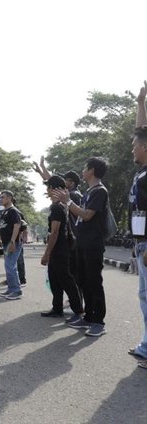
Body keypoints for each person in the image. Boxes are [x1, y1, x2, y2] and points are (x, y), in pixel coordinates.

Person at [53, 157, 109, 337]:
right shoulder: (88, 192)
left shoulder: (100, 191)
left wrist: (69, 202)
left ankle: (98, 322)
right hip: (82, 243)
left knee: (94, 282)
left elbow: (86, 215)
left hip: (93, 244)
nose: (82, 171)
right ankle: (88, 317)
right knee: (84, 282)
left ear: (92, 170)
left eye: (85, 168)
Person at [40, 176, 83, 320]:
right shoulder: (60, 206)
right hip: (60, 248)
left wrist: (47, 253)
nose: (48, 191)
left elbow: (55, 233)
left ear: (52, 189)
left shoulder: (57, 207)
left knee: (66, 280)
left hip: (59, 249)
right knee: (54, 280)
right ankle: (57, 308)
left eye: (49, 188)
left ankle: (78, 310)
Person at [127, 81, 147, 368]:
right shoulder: (143, 172)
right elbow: (142, 132)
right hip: (141, 241)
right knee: (144, 295)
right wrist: (141, 103)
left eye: (135, 145)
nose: (131, 147)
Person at [0, 190, 23, 300]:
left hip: (13, 242)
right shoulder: (3, 212)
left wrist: (13, 242)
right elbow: (1, 226)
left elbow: (17, 226)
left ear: (9, 198)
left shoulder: (13, 211)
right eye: (0, 197)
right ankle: (11, 288)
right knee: (8, 266)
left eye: (2, 197)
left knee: (10, 265)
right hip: (5, 241)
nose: (0, 199)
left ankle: (16, 290)